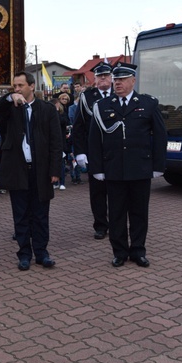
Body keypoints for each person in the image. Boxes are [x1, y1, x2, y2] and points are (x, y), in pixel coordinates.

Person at [88, 63, 167, 268]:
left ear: (133, 81)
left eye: (122, 80)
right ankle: (120, 252)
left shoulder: (148, 104)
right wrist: (97, 168)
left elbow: (160, 136)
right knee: (116, 214)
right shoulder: (103, 106)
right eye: (116, 80)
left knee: (139, 213)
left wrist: (158, 165)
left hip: (140, 169)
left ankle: (138, 251)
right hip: (114, 169)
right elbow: (94, 140)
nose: (118, 83)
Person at [0, 72, 61, 271]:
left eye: (20, 85)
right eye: (14, 86)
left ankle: (42, 253)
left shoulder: (47, 109)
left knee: (40, 215)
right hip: (17, 170)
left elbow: (56, 142)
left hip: (41, 170)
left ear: (32, 86)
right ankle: (24, 254)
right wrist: (9, 98)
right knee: (21, 214)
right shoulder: (10, 108)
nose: (17, 89)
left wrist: (55, 169)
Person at [71, 61, 114, 239]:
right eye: (100, 76)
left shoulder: (119, 94)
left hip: (116, 152)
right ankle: (100, 225)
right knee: (97, 191)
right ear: (94, 79)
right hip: (94, 151)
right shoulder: (87, 97)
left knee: (117, 190)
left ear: (111, 78)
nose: (103, 79)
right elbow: (78, 127)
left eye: (106, 75)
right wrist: (80, 152)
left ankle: (117, 222)